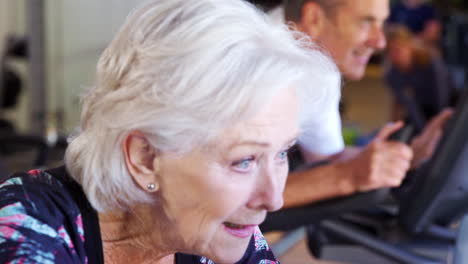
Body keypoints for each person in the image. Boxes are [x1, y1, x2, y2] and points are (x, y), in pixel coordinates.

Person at [0, 0, 341, 263]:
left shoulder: (224, 233)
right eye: (244, 161)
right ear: (145, 158)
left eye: (282, 153)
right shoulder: (25, 230)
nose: (274, 198)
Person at [261, 0, 453, 231]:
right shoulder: (244, 61)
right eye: (366, 21)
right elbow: (222, 195)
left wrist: (406, 156)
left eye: (381, 24)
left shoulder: (320, 72)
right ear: (314, 18)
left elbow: (330, 157)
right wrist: (345, 177)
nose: (380, 41)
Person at [384, 25, 453, 131]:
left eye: (398, 49)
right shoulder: (392, 75)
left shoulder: (431, 61)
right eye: (389, 51)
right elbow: (410, 106)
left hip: (448, 106)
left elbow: (442, 97)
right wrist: (423, 131)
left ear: (410, 45)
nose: (394, 55)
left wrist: (438, 126)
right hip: (421, 109)